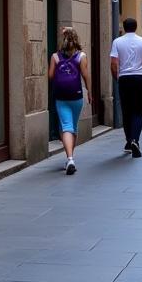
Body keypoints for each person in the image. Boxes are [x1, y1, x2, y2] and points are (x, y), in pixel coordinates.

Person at [48, 26, 91, 174]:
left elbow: (51, 76)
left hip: (61, 96)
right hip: (76, 95)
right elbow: (86, 76)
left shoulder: (55, 56)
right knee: (73, 125)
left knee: (65, 126)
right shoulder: (82, 56)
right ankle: (70, 158)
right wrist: (89, 92)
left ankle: (70, 158)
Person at [110, 17, 142, 158]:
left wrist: (117, 78)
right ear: (136, 27)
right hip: (139, 79)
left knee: (126, 111)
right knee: (137, 111)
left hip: (124, 79)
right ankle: (135, 139)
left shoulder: (117, 42)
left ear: (123, 27)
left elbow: (113, 63)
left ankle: (129, 141)